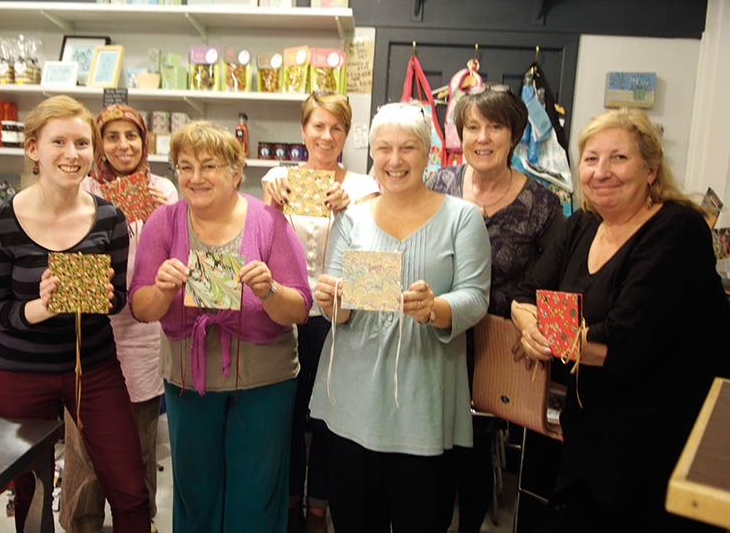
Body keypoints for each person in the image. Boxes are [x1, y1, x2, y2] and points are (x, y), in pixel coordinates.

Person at [511, 108, 730, 533]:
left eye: (619, 158)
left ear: (651, 169)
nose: (601, 171)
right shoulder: (582, 223)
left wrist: (547, 336)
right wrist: (528, 325)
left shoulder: (677, 229)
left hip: (658, 434)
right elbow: (526, 294)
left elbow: (622, 339)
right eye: (591, 159)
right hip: (589, 425)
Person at [309, 102, 491, 532]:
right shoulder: (352, 218)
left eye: (407, 148)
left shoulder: (462, 218)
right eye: (383, 148)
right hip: (353, 401)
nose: (394, 160)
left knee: (421, 518)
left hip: (422, 399)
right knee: (354, 519)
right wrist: (331, 298)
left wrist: (436, 309)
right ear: (371, 153)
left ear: (428, 152)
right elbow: (338, 300)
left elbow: (476, 296)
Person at [0, 95, 150, 532]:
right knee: (28, 492)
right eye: (59, 142)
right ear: (33, 148)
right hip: (19, 372)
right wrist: (39, 307)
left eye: (82, 143)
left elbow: (117, 300)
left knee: (129, 487)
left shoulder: (109, 218)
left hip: (92, 367)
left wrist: (103, 295)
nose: (73, 155)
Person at [129, 120, 312, 533]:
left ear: (235, 170)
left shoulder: (270, 222)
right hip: (188, 383)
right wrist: (161, 289)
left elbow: (299, 307)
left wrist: (269, 290)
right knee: (196, 494)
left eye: (208, 165)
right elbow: (141, 306)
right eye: (185, 166)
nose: (195, 177)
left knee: (257, 493)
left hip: (263, 383)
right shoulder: (164, 222)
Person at [426, 85, 563, 532]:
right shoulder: (438, 185)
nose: (482, 138)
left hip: (496, 346)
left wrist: (539, 330)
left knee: (477, 452)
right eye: (472, 127)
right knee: (431, 449)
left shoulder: (542, 205)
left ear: (515, 135)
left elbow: (554, 284)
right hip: (436, 336)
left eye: (495, 127)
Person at [261, 91, 379, 533]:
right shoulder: (279, 179)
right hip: (289, 313)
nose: (326, 136)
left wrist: (354, 212)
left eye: (337, 128)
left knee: (331, 416)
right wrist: (271, 207)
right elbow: (264, 244)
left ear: (347, 134)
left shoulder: (365, 187)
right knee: (287, 415)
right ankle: (290, 506)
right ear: (303, 129)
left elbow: (373, 254)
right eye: (318, 126)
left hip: (339, 318)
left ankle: (319, 508)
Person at [59, 103, 178, 533]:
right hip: (90, 335)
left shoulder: (163, 189)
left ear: (145, 142)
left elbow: (179, 257)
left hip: (145, 336)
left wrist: (171, 214)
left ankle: (136, 522)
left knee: (139, 446)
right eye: (112, 136)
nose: (123, 145)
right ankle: (80, 523)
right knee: (85, 449)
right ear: (98, 144)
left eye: (132, 136)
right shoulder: (81, 187)